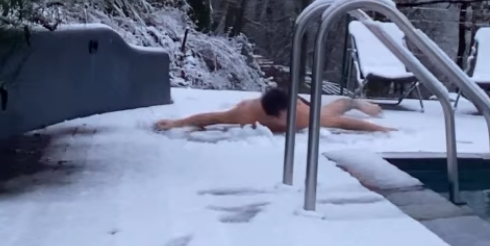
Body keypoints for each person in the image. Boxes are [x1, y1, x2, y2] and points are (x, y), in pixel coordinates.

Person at [154, 85, 395, 135]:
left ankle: (353, 102)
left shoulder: (301, 114)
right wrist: (175, 123)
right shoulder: (246, 113)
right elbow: (211, 117)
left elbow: (343, 123)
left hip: (297, 103)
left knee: (328, 115)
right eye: (282, 117)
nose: (285, 120)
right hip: (268, 102)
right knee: (323, 115)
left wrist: (379, 128)